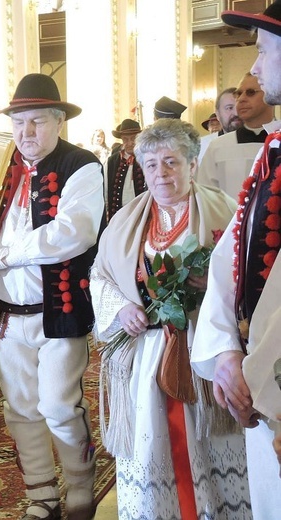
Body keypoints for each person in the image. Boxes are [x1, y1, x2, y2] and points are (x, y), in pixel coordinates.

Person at [90, 118, 249, 519]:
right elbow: (99, 276)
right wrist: (122, 308)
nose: (161, 174)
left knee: (208, 447)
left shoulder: (225, 210)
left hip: (203, 352)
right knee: (152, 447)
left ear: (192, 165)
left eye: (171, 162)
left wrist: (210, 280)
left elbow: (246, 278)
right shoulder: (125, 220)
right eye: (151, 165)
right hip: (145, 355)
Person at [0, 73, 103, 520]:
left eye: (37, 121)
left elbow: (73, 233)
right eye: (19, 123)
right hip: (5, 316)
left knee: (60, 407)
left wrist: (1, 256)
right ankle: (41, 495)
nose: (26, 133)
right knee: (21, 410)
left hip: (58, 312)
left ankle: (81, 491)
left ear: (59, 121)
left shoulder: (80, 164)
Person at [191, 2, 281, 518]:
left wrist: (260, 373)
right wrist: (226, 352)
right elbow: (233, 254)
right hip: (257, 379)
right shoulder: (274, 149)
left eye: (265, 50)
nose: (257, 66)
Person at [198, 73, 275, 197]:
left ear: (270, 95)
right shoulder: (218, 147)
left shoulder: (278, 142)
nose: (241, 99)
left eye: (250, 92)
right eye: (239, 94)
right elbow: (206, 199)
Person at [104, 118, 146, 222]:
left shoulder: (146, 158)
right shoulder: (112, 161)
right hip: (119, 215)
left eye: (133, 139)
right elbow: (106, 190)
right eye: (125, 139)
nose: (130, 143)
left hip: (142, 215)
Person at [197, 87, 241, 163]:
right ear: (218, 114)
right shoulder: (203, 146)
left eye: (240, 107)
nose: (236, 113)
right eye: (229, 108)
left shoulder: (261, 143)